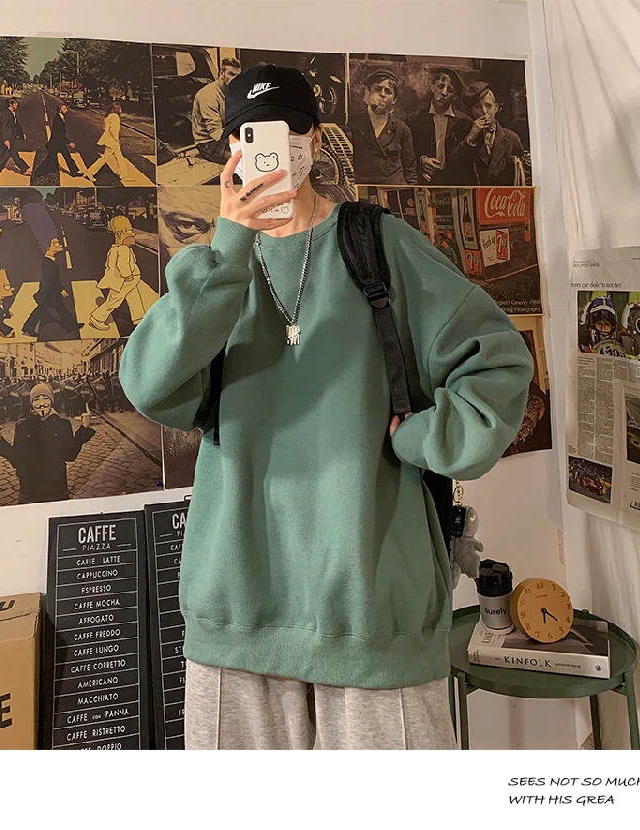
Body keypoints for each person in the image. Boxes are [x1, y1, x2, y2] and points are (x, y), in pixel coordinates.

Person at [119, 64, 533, 751]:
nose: (266, 148)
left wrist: (425, 438)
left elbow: (498, 361)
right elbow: (150, 385)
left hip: (373, 610)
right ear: (230, 150)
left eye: (285, 130)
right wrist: (228, 247)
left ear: (314, 138)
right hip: (238, 610)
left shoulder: (378, 245)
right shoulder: (216, 268)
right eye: (247, 135)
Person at [0, 383, 94, 504]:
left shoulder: (63, 425)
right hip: (29, 491)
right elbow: (16, 460)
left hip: (56, 489)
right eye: (36, 399)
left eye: (45, 398)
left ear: (51, 401)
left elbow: (70, 455)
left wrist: (84, 428)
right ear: (31, 403)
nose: (41, 403)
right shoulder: (23, 426)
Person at [350, 69, 417, 185]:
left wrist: (409, 193)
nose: (382, 94)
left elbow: (410, 171)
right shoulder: (354, 124)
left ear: (394, 99)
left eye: (388, 91)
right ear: (368, 92)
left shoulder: (402, 130)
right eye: (378, 89)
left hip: (393, 189)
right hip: (364, 190)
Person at [409, 68, 472, 184]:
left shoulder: (464, 122)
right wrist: (421, 160)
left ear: (455, 96)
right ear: (432, 87)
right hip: (425, 180)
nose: (443, 93)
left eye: (450, 90)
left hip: (453, 181)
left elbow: (467, 158)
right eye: (440, 86)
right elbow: (408, 152)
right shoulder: (414, 120)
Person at [458, 81, 525, 186]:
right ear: (471, 112)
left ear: (496, 108)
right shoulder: (465, 136)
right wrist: (471, 138)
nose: (484, 111)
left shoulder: (511, 138)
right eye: (478, 107)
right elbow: (456, 166)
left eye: (488, 105)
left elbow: (522, 174)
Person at [88, 216, 147, 331]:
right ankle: (97, 318)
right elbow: (123, 265)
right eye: (129, 231)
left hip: (125, 281)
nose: (133, 235)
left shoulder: (115, 248)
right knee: (114, 301)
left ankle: (139, 318)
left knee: (133, 297)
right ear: (120, 234)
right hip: (123, 281)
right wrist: (128, 276)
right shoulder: (123, 249)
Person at [22, 237, 83, 337]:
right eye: (56, 243)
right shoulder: (47, 263)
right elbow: (51, 279)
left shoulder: (49, 261)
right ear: (48, 247)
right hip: (47, 292)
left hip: (50, 291)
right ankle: (28, 327)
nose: (59, 245)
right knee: (40, 310)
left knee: (60, 309)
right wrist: (61, 289)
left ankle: (71, 326)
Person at [191, 58, 241, 165]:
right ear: (222, 74)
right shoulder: (208, 95)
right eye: (231, 74)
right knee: (245, 159)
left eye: (238, 76)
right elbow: (215, 132)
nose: (235, 79)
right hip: (208, 143)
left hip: (223, 136)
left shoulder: (231, 91)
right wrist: (239, 141)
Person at [84, 102, 131, 184]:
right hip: (113, 141)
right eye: (119, 108)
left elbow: (105, 128)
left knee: (119, 158)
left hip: (110, 140)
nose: (120, 110)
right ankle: (90, 172)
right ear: (116, 109)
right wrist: (116, 139)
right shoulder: (115, 116)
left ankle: (124, 176)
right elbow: (113, 130)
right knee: (104, 158)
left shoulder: (109, 116)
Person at [34, 102, 83, 178]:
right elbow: (60, 134)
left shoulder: (60, 118)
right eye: (64, 109)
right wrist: (69, 142)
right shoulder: (57, 119)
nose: (66, 110)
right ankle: (39, 172)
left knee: (67, 157)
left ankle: (74, 172)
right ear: (60, 110)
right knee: (50, 158)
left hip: (60, 143)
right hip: (57, 143)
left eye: (66, 109)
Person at [0, 98, 30, 176]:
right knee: (14, 154)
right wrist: (6, 139)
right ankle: (24, 169)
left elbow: (16, 125)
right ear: (10, 104)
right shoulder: (5, 114)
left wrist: (21, 134)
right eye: (15, 103)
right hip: (8, 137)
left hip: (10, 136)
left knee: (0, 152)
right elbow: (4, 127)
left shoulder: (12, 113)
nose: (17, 104)